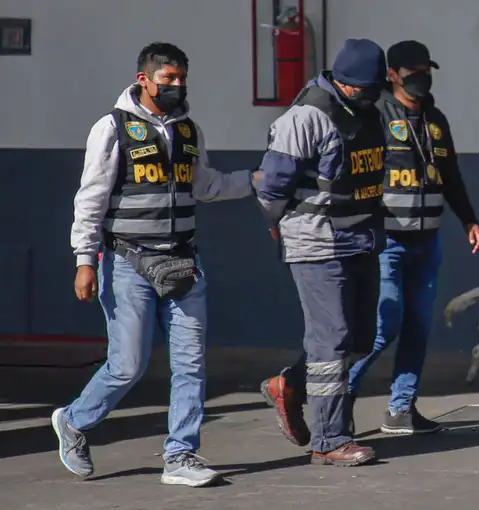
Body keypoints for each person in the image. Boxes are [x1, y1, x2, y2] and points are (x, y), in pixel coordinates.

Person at [53, 42, 257, 486]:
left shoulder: (188, 131)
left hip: (183, 263)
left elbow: (207, 185)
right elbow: (90, 200)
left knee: (191, 363)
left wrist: (256, 181)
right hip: (127, 263)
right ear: (144, 79)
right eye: (168, 79)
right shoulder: (112, 128)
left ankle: (181, 455)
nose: (177, 86)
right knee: (127, 364)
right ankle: (73, 421)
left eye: (182, 78)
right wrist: (85, 260)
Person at [256, 38, 387, 467]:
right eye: (363, 89)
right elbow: (273, 184)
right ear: (344, 83)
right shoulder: (306, 117)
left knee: (359, 339)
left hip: (362, 238)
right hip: (318, 242)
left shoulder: (368, 112)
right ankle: (330, 439)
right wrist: (279, 222)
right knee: (330, 342)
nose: (370, 97)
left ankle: (289, 384)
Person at [347, 40, 479, 435]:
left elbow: (450, 174)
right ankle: (338, 402)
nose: (421, 78)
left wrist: (468, 219)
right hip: (387, 240)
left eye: (426, 70)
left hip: (428, 240)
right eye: (413, 72)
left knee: (419, 326)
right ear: (392, 75)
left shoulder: (435, 118)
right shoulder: (374, 116)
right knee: (383, 326)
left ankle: (401, 408)